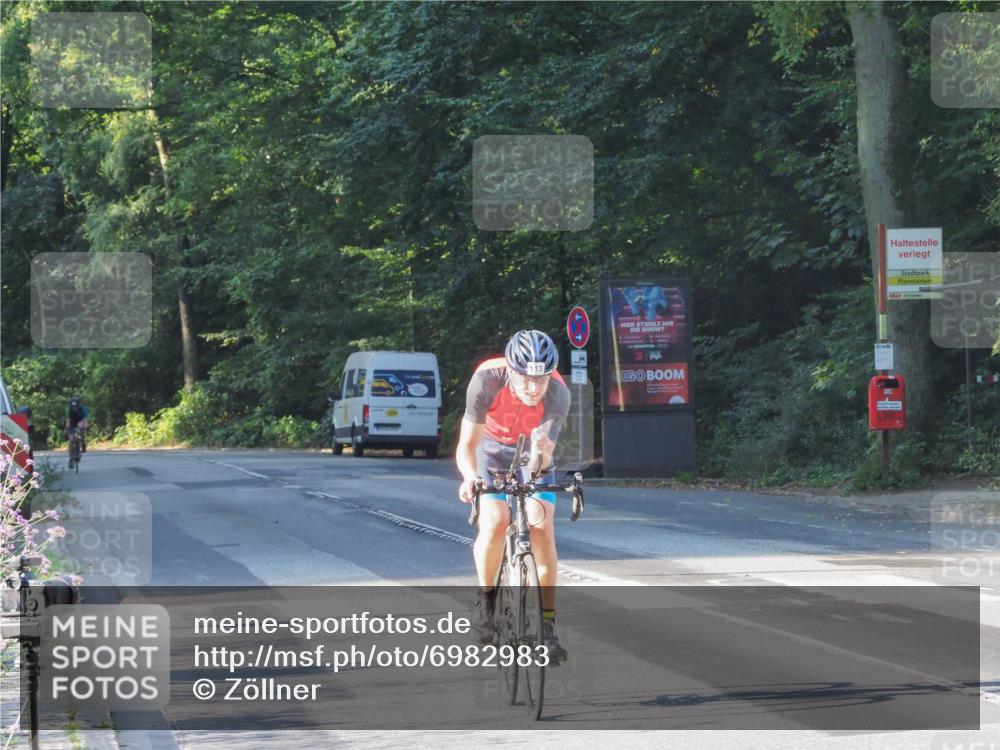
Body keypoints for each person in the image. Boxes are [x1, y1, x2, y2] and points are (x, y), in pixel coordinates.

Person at [456, 330, 571, 664]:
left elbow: (542, 463)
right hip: (490, 451)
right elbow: (467, 445)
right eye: (525, 379)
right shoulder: (486, 381)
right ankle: (486, 601)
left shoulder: (558, 394)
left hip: (531, 454)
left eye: (541, 379)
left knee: (541, 524)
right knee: (495, 522)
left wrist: (539, 456)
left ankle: (547, 627)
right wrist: (469, 478)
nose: (533, 388)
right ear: (511, 370)